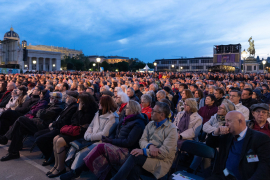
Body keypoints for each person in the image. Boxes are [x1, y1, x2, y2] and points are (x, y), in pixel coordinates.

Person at [68, 100, 148, 180]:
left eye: (127, 108)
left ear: (132, 110)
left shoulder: (138, 123)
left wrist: (110, 141)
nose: (124, 110)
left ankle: (79, 170)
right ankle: (92, 172)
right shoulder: (125, 119)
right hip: (118, 146)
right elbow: (118, 136)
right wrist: (110, 140)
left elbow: (129, 142)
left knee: (101, 147)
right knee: (102, 153)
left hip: (126, 151)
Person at [110, 102, 178, 180]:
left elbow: (164, 153)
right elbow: (142, 140)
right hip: (148, 159)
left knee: (135, 156)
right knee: (134, 169)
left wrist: (144, 151)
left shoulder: (172, 129)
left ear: (162, 115)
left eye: (154, 111)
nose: (151, 113)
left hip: (161, 162)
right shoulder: (150, 124)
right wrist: (150, 146)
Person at [60, 95, 119, 180]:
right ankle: (69, 169)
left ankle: (74, 173)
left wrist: (89, 137)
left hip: (101, 142)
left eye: (100, 103)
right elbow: (91, 126)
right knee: (73, 147)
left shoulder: (113, 117)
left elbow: (104, 134)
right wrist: (87, 135)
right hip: (90, 138)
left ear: (105, 105)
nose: (98, 104)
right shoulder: (98, 113)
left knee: (82, 152)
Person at [0, 91, 65, 161]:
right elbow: (40, 113)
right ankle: (13, 152)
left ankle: (5, 138)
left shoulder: (58, 107)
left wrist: (41, 112)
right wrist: (41, 112)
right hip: (37, 122)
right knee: (19, 127)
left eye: (51, 97)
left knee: (21, 119)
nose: (50, 98)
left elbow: (40, 113)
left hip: (42, 126)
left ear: (55, 99)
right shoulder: (52, 105)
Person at [206, 111, 270, 180]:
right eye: (225, 121)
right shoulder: (227, 135)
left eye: (228, 121)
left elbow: (265, 166)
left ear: (240, 121)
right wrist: (216, 132)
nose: (226, 124)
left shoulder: (260, 138)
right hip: (223, 176)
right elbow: (210, 143)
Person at [46, 93, 98, 178]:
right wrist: (79, 117)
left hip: (82, 133)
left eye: (80, 101)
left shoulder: (91, 111)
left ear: (85, 102)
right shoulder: (79, 108)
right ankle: (56, 165)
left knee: (60, 141)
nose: (78, 102)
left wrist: (80, 111)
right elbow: (73, 120)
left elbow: (82, 122)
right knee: (55, 138)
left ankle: (61, 167)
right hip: (75, 130)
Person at [34, 91, 79, 166]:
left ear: (72, 99)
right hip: (55, 126)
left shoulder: (73, 107)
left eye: (67, 97)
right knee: (37, 134)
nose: (65, 98)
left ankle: (50, 157)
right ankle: (50, 153)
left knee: (39, 139)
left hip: (60, 129)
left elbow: (65, 121)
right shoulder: (68, 105)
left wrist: (53, 124)